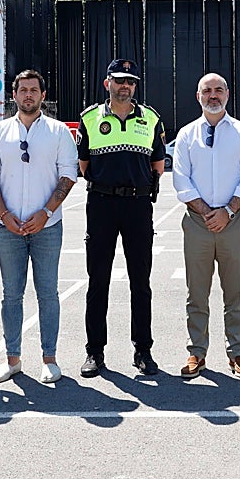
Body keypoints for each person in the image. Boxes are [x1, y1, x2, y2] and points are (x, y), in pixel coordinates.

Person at [0, 70, 78, 384]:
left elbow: (68, 176)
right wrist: (5, 215)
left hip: (47, 227)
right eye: (22, 90)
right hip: (8, 227)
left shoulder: (58, 131)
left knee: (48, 294)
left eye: (33, 90)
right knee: (11, 295)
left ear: (42, 95)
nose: (28, 95)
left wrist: (46, 213)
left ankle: (49, 359)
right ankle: (13, 359)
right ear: (14, 95)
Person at [78, 59, 166, 378]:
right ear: (107, 83)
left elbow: (158, 165)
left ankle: (143, 350)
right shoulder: (90, 118)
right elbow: (84, 165)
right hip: (102, 204)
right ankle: (94, 351)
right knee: (98, 281)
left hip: (138, 206)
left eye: (130, 81)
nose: (125, 86)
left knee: (140, 282)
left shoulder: (151, 118)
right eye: (119, 80)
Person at [172, 73, 240, 379]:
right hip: (197, 223)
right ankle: (196, 352)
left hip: (233, 222)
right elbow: (181, 179)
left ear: (227, 94)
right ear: (198, 96)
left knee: (235, 292)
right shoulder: (186, 135)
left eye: (218, 90)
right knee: (196, 293)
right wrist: (208, 212)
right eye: (207, 90)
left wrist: (228, 211)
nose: (213, 95)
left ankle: (237, 352)